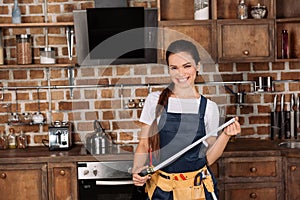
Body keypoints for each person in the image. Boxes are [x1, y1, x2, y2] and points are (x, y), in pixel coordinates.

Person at [132, 39, 241, 200]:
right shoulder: (154, 100)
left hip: (196, 190)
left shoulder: (208, 108)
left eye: (187, 66)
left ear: (197, 65)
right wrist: (136, 169)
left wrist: (225, 135)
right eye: (174, 68)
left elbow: (208, 158)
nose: (181, 73)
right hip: (162, 190)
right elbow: (143, 144)